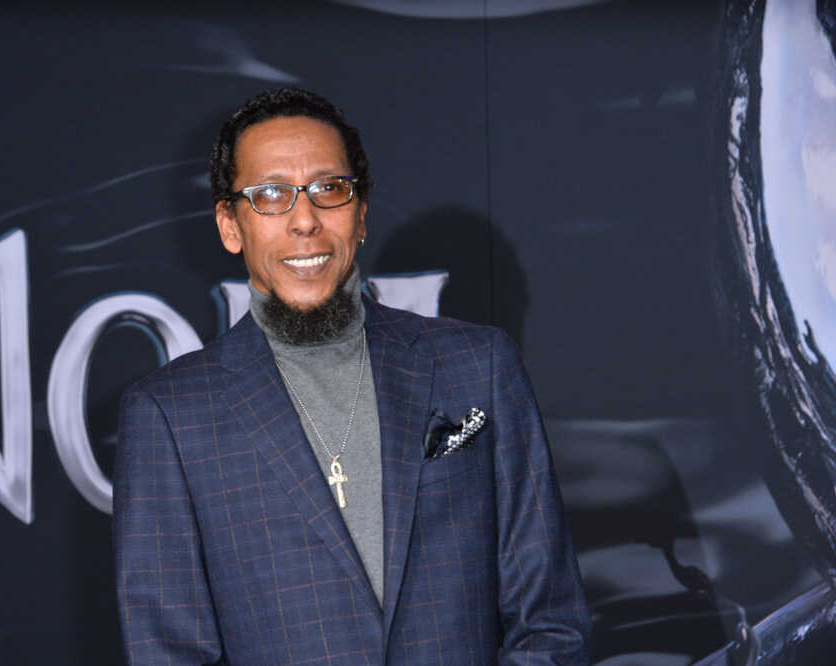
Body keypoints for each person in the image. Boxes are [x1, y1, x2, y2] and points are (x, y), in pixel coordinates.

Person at [113, 88, 591, 664]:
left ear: (361, 213)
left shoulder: (478, 366)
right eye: (271, 195)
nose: (305, 221)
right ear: (230, 225)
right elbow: (169, 652)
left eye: (329, 188)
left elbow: (550, 623)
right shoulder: (170, 416)